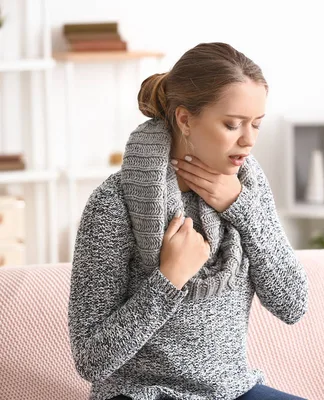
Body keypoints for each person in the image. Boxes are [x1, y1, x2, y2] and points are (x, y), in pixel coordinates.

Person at [68, 42, 309, 400]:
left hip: (232, 390)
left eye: (256, 125)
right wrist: (169, 279)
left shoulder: (248, 186)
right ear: (184, 119)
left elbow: (292, 305)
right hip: (141, 394)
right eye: (232, 125)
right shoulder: (114, 203)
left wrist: (241, 208)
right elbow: (91, 359)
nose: (248, 141)